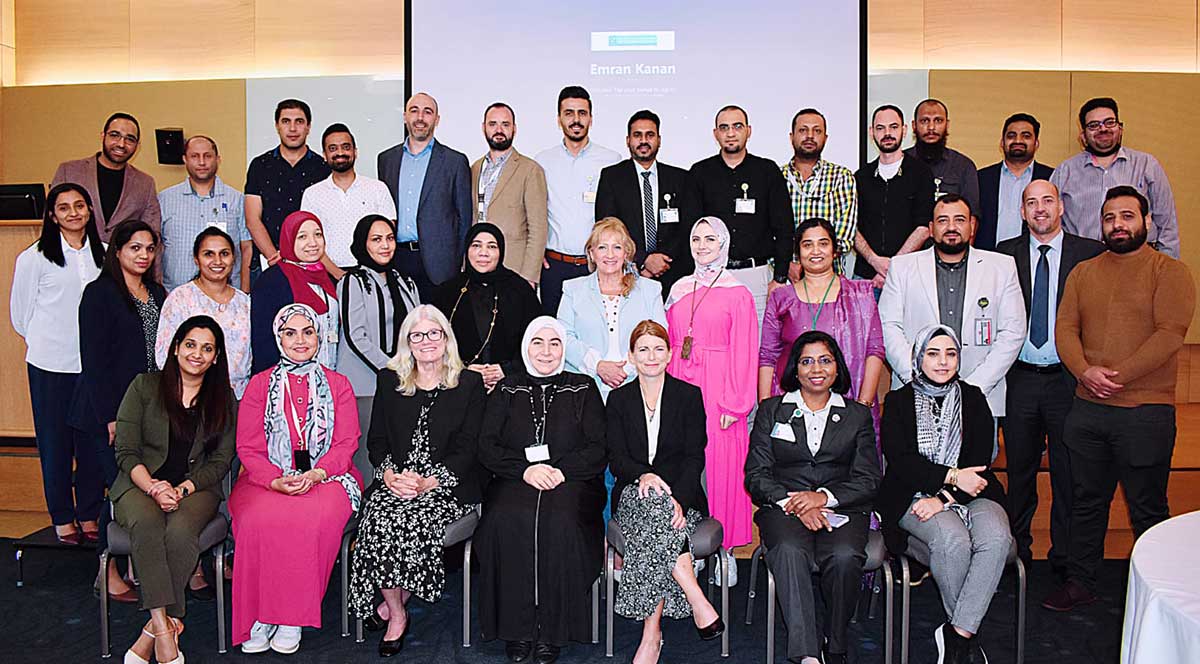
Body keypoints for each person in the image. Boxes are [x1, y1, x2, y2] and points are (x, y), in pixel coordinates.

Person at [1042, 186, 1195, 612]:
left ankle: (1158, 592)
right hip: (1088, 410)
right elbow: (1065, 328)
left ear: (1146, 221)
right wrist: (1085, 372)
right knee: (1086, 501)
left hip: (1144, 413)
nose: (1118, 225)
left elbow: (1169, 335)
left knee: (1148, 506)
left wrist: (1116, 377)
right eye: (1110, 218)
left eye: (1127, 216)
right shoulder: (1084, 273)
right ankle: (1081, 581)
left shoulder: (1169, 271)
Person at [349, 305, 485, 657]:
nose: (426, 341)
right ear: (407, 341)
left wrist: (429, 482)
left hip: (448, 485)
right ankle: (397, 612)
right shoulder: (390, 379)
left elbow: (469, 447)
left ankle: (393, 606)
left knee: (411, 519)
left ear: (446, 338)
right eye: (417, 335)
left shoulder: (468, 382)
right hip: (398, 478)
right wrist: (390, 476)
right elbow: (376, 441)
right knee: (379, 516)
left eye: (434, 333)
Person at [229, 303, 364, 654]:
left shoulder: (339, 384)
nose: (300, 340)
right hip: (266, 478)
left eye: (308, 331)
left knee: (307, 518)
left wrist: (317, 473)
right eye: (290, 332)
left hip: (329, 478)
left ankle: (290, 616)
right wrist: (274, 480)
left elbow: (347, 442)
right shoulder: (259, 385)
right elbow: (248, 446)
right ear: (278, 338)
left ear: (319, 336)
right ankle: (261, 614)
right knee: (258, 518)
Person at [476, 317, 607, 664]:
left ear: (564, 348)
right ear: (525, 346)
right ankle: (516, 629)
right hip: (515, 477)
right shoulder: (507, 389)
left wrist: (561, 471)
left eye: (554, 343)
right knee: (505, 517)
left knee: (560, 520)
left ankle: (552, 630)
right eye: (538, 342)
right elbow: (487, 446)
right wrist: (525, 470)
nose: (546, 351)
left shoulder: (583, 387)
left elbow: (597, 446)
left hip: (573, 481)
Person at [877, 325, 1012, 664]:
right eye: (933, 354)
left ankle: (957, 635)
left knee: (996, 538)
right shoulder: (898, 401)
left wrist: (945, 497)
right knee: (953, 541)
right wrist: (951, 477)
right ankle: (967, 639)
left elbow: (979, 462)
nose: (942, 362)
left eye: (950, 354)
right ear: (918, 357)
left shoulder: (974, 398)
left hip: (973, 493)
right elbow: (902, 460)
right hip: (912, 494)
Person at [745, 331, 882, 664]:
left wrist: (822, 498)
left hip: (842, 508)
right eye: (806, 361)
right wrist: (797, 502)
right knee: (790, 551)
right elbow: (757, 474)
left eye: (825, 360)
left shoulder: (857, 415)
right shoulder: (772, 410)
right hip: (784, 508)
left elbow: (869, 478)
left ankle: (835, 645)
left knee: (845, 555)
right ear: (795, 368)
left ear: (837, 367)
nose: (815, 368)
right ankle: (806, 654)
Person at [112, 316, 237, 664]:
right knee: (149, 524)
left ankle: (153, 631)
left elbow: (222, 460)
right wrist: (153, 487)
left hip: (196, 488)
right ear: (176, 347)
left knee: (182, 531)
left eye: (207, 348)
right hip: (139, 483)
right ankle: (164, 628)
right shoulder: (144, 386)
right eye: (191, 344)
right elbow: (125, 450)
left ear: (216, 358)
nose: (197, 353)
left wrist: (181, 489)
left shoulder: (224, 399)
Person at [995, 180, 1103, 574]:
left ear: (1061, 207)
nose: (1039, 208)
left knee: (1067, 472)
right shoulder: (1002, 256)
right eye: (1031, 202)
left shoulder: (1090, 254)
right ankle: (1015, 557)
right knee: (1019, 473)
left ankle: (1064, 561)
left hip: (1069, 381)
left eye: (1047, 201)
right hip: (1019, 380)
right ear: (1022, 212)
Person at [606, 320, 724, 664]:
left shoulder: (689, 396)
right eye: (643, 349)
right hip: (632, 493)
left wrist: (680, 500)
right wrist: (643, 475)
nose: (651, 356)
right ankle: (694, 594)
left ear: (670, 353)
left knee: (656, 518)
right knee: (652, 506)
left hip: (681, 497)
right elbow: (616, 458)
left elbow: (694, 457)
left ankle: (651, 634)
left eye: (658, 348)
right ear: (631, 356)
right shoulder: (618, 399)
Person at [71, 219, 166, 601]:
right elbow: (93, 360)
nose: (143, 255)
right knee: (117, 488)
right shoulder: (99, 293)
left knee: (140, 487)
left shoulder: (156, 292)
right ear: (117, 251)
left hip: (146, 410)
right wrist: (111, 416)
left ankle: (133, 566)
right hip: (104, 411)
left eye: (149, 248)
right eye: (134, 248)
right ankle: (106, 572)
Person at [879, 194, 1026, 432]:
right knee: (914, 468)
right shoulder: (902, 267)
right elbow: (888, 325)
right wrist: (919, 379)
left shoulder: (1002, 267)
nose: (951, 227)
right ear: (930, 228)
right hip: (914, 395)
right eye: (942, 220)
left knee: (975, 467)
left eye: (959, 220)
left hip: (981, 396)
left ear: (972, 226)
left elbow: (1013, 331)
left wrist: (973, 389)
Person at [10, 183, 105, 545]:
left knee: (93, 445)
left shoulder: (105, 255)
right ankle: (63, 517)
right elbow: (21, 317)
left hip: (93, 367)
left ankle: (90, 513)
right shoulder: (34, 257)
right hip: (51, 365)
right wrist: (48, 342)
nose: (73, 213)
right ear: (52, 215)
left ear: (89, 211)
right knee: (55, 443)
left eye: (79, 205)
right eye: (64, 208)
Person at [665, 217, 758, 583]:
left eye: (710, 239)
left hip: (720, 390)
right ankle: (691, 545)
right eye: (696, 238)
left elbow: (745, 350)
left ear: (724, 244)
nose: (702, 245)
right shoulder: (677, 289)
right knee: (686, 468)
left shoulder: (739, 292)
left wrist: (735, 405)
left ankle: (726, 549)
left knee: (723, 470)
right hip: (681, 387)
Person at [759, 218, 885, 453]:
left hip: (850, 406)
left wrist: (862, 407)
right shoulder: (781, 298)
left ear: (835, 250)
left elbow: (874, 350)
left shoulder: (861, 294)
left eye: (823, 243)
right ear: (798, 253)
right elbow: (767, 356)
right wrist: (766, 409)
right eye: (807, 245)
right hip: (792, 411)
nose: (815, 251)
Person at [689, 105, 792, 318]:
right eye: (724, 127)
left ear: (748, 130)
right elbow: (690, 229)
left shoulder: (767, 171)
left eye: (737, 126)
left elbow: (784, 227)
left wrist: (780, 277)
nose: (730, 133)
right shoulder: (700, 173)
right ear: (715, 134)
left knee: (757, 345)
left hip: (757, 276)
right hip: (713, 276)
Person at [337, 214, 419, 478]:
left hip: (403, 385)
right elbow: (355, 336)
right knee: (365, 462)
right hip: (365, 387)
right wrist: (394, 368)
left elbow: (417, 331)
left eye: (390, 238)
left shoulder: (407, 283)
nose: (385, 245)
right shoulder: (353, 282)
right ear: (363, 244)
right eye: (376, 239)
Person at [1050, 97, 1179, 258]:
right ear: (1083, 135)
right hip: (1082, 262)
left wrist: (1168, 266)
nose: (1103, 129)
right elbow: (1051, 222)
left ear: (1120, 128)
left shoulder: (1147, 165)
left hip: (1137, 261)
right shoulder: (1065, 171)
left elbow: (1167, 223)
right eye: (1094, 125)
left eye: (1109, 122)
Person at [558, 218, 667, 401]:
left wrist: (626, 370)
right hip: (584, 388)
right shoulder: (572, 289)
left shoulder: (650, 290)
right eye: (602, 247)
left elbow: (659, 336)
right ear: (591, 254)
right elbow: (564, 337)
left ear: (626, 253)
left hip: (637, 385)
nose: (610, 255)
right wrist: (598, 366)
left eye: (617, 247)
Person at [535, 86, 622, 315]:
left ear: (591, 119)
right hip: (554, 268)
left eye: (582, 113)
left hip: (597, 267)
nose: (576, 120)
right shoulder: (542, 162)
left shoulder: (611, 161)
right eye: (569, 113)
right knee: (555, 337)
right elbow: (534, 213)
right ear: (559, 119)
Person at [378, 92, 472, 299]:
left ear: (436, 120)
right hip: (396, 259)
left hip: (440, 266)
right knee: (400, 327)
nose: (420, 117)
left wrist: (461, 263)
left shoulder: (455, 161)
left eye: (427, 112)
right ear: (405, 116)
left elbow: (464, 219)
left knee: (438, 327)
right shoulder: (386, 160)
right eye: (414, 110)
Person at [595, 109, 700, 292]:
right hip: (627, 274)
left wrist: (661, 262)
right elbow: (608, 227)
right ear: (628, 140)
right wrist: (644, 260)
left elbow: (689, 228)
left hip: (674, 275)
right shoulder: (612, 177)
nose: (643, 141)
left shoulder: (681, 178)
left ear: (659, 140)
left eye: (650, 135)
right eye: (637, 135)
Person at [431, 222, 540, 393]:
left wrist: (507, 369)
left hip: (512, 387)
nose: (483, 253)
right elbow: (432, 344)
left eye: (491, 246)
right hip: (458, 386)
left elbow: (538, 340)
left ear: (501, 252)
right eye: (476, 245)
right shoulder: (447, 292)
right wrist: (462, 369)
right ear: (467, 251)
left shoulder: (520, 290)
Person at [155, 227, 253, 398]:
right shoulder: (180, 298)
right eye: (208, 254)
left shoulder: (245, 303)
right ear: (196, 259)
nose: (217, 261)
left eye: (224, 254)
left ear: (234, 258)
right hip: (191, 398)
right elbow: (164, 355)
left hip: (238, 398)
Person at [244, 99, 331, 285]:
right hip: (268, 262)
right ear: (277, 126)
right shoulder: (260, 165)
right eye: (286, 121)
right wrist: (274, 257)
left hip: (312, 263)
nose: (292, 128)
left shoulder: (323, 168)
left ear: (308, 127)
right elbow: (252, 219)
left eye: (299, 121)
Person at [300, 123, 396, 280]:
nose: (340, 153)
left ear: (355, 152)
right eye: (332, 148)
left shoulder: (377, 189)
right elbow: (311, 242)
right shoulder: (312, 195)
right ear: (324, 155)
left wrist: (371, 274)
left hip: (373, 275)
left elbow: (388, 235)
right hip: (329, 276)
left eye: (346, 147)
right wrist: (339, 275)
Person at [853, 105, 935, 288]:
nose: (887, 133)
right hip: (866, 277)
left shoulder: (921, 173)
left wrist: (891, 268)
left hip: (910, 277)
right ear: (871, 132)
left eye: (894, 127)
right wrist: (875, 261)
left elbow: (924, 227)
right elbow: (852, 228)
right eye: (880, 128)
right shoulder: (860, 177)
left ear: (904, 130)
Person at [158, 135, 251, 290]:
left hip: (226, 297)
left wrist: (245, 292)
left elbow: (247, 247)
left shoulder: (237, 200)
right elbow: (155, 247)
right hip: (175, 296)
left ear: (218, 159)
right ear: (184, 159)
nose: (202, 162)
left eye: (207, 156)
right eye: (195, 156)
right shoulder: (164, 199)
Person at [250, 211, 339, 374]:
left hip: (329, 373)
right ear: (288, 240)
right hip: (289, 381)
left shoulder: (327, 278)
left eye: (318, 234)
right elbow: (263, 342)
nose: (312, 242)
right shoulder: (271, 281)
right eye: (302, 237)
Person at [470, 102, 549, 286]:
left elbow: (538, 228)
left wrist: (529, 276)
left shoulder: (530, 170)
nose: (499, 130)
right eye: (493, 124)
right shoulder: (474, 168)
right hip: (477, 266)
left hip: (514, 268)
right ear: (484, 128)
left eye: (505, 124)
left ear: (514, 129)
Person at [51, 112, 162, 241]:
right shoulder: (69, 171)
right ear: (103, 136)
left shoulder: (145, 183)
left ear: (137, 146)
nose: (121, 144)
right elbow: (51, 219)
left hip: (119, 259)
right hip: (74, 256)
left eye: (130, 139)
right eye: (115, 135)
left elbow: (152, 233)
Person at [780, 108, 858, 276]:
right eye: (803, 130)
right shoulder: (777, 177)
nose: (810, 136)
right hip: (786, 277)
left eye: (817, 131)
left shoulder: (841, 177)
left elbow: (844, 237)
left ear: (825, 138)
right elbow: (767, 231)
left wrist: (813, 264)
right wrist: (786, 264)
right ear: (791, 136)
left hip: (830, 278)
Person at [975, 114, 1055, 251]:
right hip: (988, 258)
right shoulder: (981, 178)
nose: (1018, 140)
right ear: (1002, 143)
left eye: (1026, 136)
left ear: (1036, 143)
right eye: (1011, 136)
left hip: (1033, 259)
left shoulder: (1051, 177)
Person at [904, 99, 980, 214]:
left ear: (947, 125)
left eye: (938, 121)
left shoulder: (963, 166)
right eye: (924, 121)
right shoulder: (901, 162)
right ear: (914, 126)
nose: (931, 127)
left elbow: (972, 216)